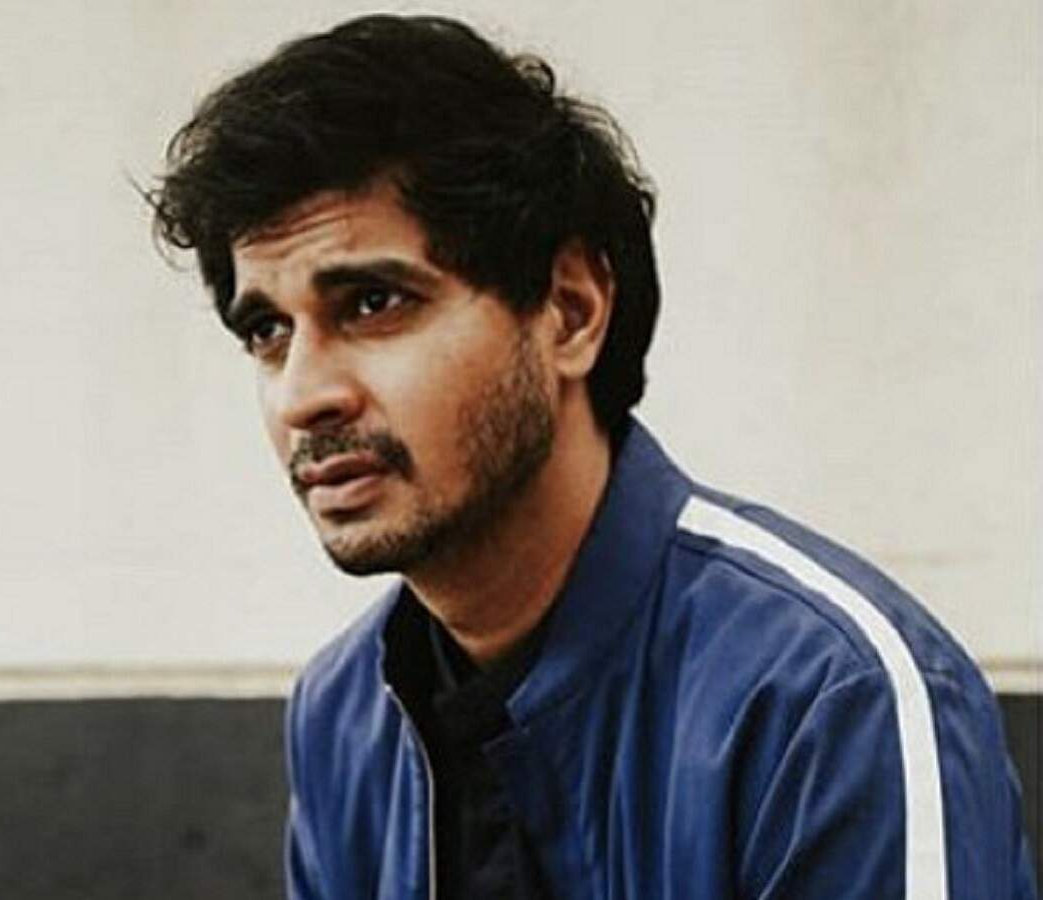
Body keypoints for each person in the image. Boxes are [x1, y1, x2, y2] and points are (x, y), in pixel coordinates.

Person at [148, 14, 1037, 899]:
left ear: (570, 312)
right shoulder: (343, 716)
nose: (302, 395)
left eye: (374, 303)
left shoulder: (828, 695)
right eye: (267, 331)